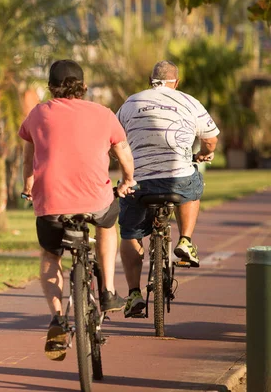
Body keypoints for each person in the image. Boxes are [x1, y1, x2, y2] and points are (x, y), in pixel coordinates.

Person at [19, 59, 136, 361]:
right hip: (96, 200)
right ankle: (108, 290)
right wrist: (128, 180)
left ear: (50, 87)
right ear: (83, 86)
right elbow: (123, 152)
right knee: (108, 225)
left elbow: (28, 159)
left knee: (50, 255)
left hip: (52, 205)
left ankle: (58, 318)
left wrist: (28, 186)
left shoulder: (37, 114)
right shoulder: (103, 114)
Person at [116, 60, 219, 318]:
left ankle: (134, 295)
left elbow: (114, 141)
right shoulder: (189, 101)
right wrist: (205, 154)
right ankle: (185, 240)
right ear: (177, 81)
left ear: (150, 81)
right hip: (177, 179)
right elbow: (209, 139)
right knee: (191, 182)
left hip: (139, 182)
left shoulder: (130, 103)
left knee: (129, 233)